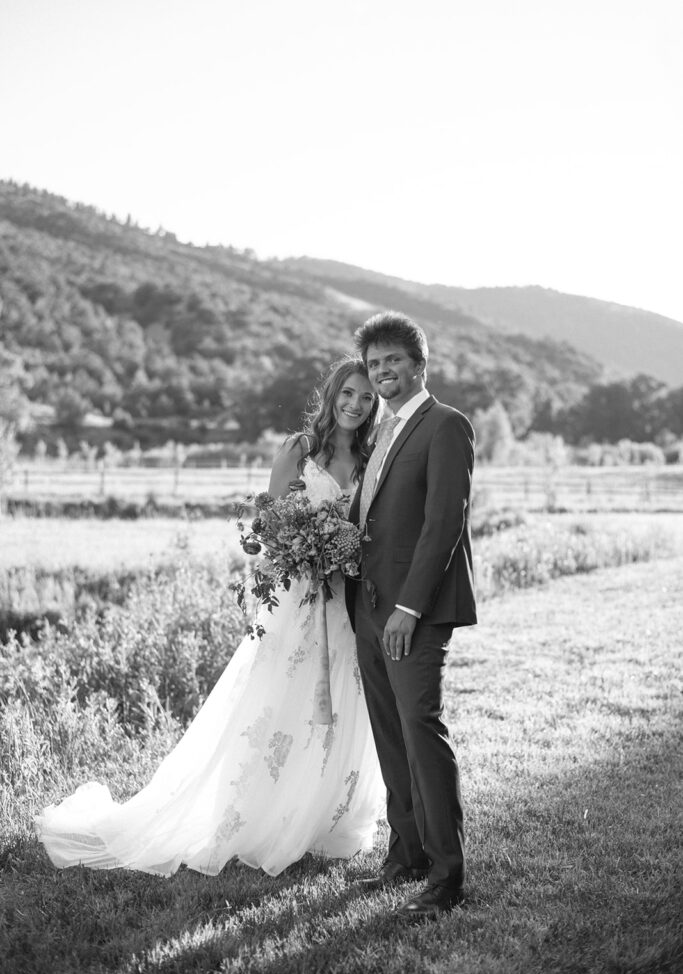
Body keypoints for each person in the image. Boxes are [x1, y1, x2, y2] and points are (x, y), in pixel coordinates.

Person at [36, 358, 385, 878]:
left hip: (347, 600)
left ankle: (324, 818)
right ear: (332, 395)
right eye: (348, 394)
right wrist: (303, 549)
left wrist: (339, 552)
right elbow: (266, 522)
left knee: (345, 702)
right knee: (278, 705)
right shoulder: (299, 450)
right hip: (298, 599)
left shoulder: (370, 457)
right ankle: (264, 817)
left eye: (365, 398)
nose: (355, 405)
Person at [346, 311, 477, 917]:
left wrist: (408, 608)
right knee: (389, 734)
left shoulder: (445, 425)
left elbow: (442, 525)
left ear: (418, 364)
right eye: (373, 365)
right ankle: (406, 857)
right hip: (366, 609)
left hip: (410, 614)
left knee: (421, 729)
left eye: (392, 361)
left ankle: (447, 876)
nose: (381, 372)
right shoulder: (380, 432)